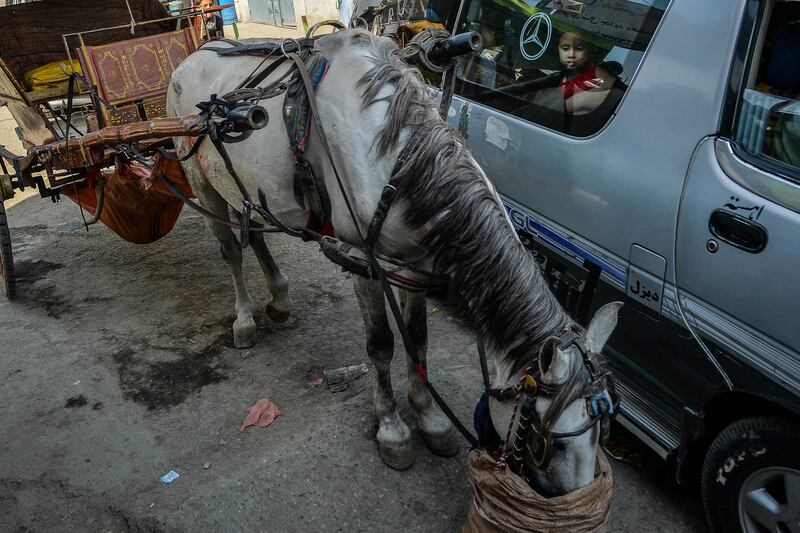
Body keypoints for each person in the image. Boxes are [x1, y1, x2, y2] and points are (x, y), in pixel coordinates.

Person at [520, 30, 625, 136]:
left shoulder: (615, 97)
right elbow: (528, 114)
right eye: (565, 48)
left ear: (591, 53)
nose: (571, 54)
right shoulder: (554, 82)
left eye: (579, 48)